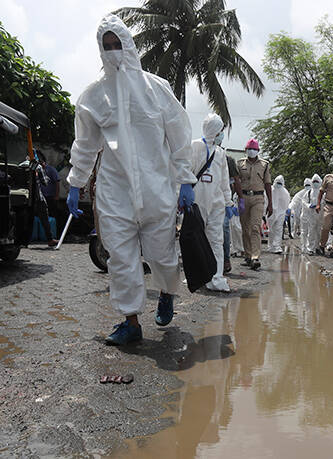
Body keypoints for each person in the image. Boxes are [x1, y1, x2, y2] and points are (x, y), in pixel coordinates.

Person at [66, 15, 197, 345]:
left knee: (162, 257)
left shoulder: (158, 90)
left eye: (117, 45)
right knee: (121, 259)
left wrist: (185, 180)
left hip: (156, 188)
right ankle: (131, 322)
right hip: (115, 192)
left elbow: (179, 135)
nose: (113, 52)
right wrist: (75, 182)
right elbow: (85, 144)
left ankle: (166, 291)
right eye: (106, 47)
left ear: (129, 45)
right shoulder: (94, 97)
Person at [190, 113, 235, 292]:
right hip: (197, 200)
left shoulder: (220, 153)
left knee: (216, 240)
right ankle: (199, 277)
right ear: (214, 131)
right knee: (197, 240)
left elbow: (224, 181)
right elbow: (184, 171)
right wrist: (180, 193)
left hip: (216, 203)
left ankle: (216, 277)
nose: (221, 135)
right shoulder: (194, 146)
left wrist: (228, 202)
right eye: (220, 131)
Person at [237, 138, 273, 271]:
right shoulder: (240, 163)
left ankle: (255, 257)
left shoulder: (265, 164)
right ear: (245, 150)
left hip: (258, 198)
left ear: (258, 151)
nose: (251, 151)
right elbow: (236, 181)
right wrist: (237, 199)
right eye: (249, 149)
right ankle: (247, 255)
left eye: (254, 149)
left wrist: (270, 203)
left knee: (255, 227)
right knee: (245, 228)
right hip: (244, 197)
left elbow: (268, 184)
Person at [30, 150, 58, 246]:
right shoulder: (38, 167)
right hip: (38, 197)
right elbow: (45, 182)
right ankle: (50, 239)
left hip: (25, 198)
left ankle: (23, 240)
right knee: (44, 219)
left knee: (26, 219)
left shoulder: (22, 165)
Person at [223, 147, 243, 273]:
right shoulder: (200, 152)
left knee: (225, 228)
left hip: (224, 199)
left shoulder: (228, 160)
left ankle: (225, 259)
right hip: (206, 197)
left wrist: (241, 198)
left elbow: (236, 180)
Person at [266, 175, 290, 254]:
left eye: (280, 183)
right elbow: (265, 200)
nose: (278, 184)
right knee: (271, 230)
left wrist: (286, 211)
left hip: (281, 213)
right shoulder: (270, 190)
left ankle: (277, 246)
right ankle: (270, 246)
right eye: (277, 182)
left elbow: (287, 202)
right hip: (271, 212)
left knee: (279, 229)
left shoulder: (285, 192)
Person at [36, 151, 61, 222]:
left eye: (41, 161)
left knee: (52, 215)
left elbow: (57, 182)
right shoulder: (37, 171)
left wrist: (56, 196)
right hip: (41, 197)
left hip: (50, 197)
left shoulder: (50, 170)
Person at [302, 173, 323, 255]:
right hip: (311, 214)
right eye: (314, 181)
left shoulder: (323, 192)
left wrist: (320, 205)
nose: (315, 183)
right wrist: (309, 205)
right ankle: (310, 248)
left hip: (320, 214)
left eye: (316, 181)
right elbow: (304, 202)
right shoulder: (309, 192)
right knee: (311, 231)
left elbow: (325, 201)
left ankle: (317, 247)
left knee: (319, 231)